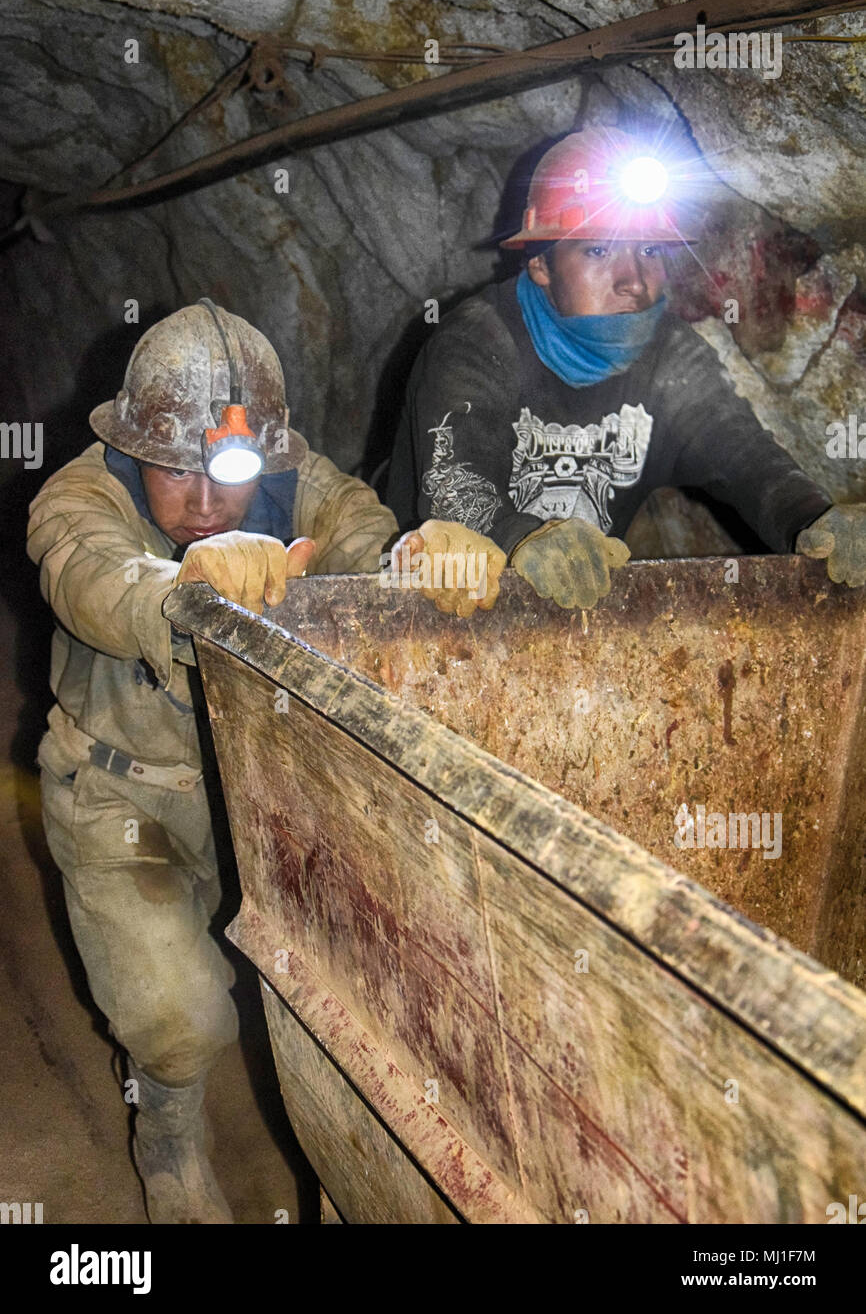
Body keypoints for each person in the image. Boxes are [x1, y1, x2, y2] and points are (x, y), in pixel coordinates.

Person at [27, 300, 503, 1225]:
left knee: (346, 988)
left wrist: (420, 559)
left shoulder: (301, 483)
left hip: (269, 793)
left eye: (229, 474)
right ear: (135, 448)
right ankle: (165, 1127)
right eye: (175, 470)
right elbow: (91, 577)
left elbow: (369, 542)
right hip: (125, 795)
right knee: (180, 1018)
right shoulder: (81, 493)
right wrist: (183, 585)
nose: (205, 502)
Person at [387, 125, 866, 605]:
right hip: (421, 603)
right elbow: (454, 486)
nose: (634, 280)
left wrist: (813, 518)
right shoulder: (476, 340)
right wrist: (523, 537)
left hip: (565, 611)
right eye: (598, 249)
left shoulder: (669, 355)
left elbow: (742, 456)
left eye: (650, 250)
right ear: (541, 265)